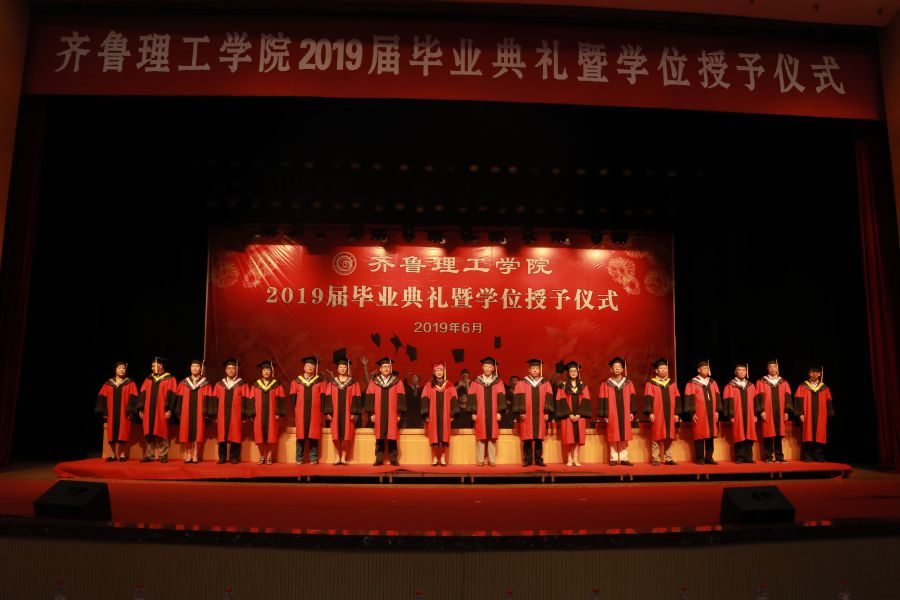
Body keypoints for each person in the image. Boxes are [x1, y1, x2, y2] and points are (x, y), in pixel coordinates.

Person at [364, 357, 407, 466]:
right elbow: (370, 397)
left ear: (391, 368)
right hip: (378, 413)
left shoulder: (397, 382)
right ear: (380, 369)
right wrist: (372, 413)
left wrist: (399, 413)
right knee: (379, 436)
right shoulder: (374, 382)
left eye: (388, 367)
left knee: (392, 436)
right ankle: (379, 458)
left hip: (393, 413)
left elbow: (400, 398)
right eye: (384, 367)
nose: (386, 369)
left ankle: (393, 459)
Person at [135, 356, 178, 463]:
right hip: (148, 410)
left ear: (160, 366)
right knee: (148, 432)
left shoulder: (170, 378)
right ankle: (149, 455)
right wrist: (141, 408)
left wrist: (169, 409)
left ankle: (163, 455)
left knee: (161, 431)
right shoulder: (149, 378)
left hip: (161, 410)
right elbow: (143, 392)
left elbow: (172, 394)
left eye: (153, 365)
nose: (152, 367)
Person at [512, 359, 554, 467]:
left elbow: (548, 398)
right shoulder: (522, 382)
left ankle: (539, 460)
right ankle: (528, 460)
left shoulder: (545, 383)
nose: (535, 370)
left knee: (539, 438)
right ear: (529, 370)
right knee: (527, 437)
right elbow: (519, 397)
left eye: (537, 368)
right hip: (527, 414)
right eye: (533, 368)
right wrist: (521, 411)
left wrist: (547, 412)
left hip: (540, 414)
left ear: (539, 370)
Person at [95, 359, 139, 462]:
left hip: (124, 413)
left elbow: (133, 397)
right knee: (111, 434)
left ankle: (122, 454)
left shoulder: (130, 383)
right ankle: (113, 454)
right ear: (115, 370)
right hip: (111, 413)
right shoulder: (108, 383)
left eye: (123, 368)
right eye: (119, 368)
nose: (122, 370)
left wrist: (130, 411)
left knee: (123, 433)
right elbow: (102, 397)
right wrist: (104, 412)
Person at [597, 357, 637, 466]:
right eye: (615, 367)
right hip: (612, 413)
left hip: (625, 413)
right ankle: (613, 458)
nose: (617, 368)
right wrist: (605, 414)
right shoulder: (606, 383)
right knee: (613, 435)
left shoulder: (628, 383)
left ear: (623, 369)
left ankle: (624, 458)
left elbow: (632, 398)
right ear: (611, 369)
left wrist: (631, 412)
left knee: (624, 435)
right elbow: (603, 399)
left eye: (619, 367)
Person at [245, 360, 285, 465]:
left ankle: (269, 456)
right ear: (261, 372)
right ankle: (262, 455)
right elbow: (251, 399)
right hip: (258, 415)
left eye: (268, 370)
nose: (266, 372)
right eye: (264, 370)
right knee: (259, 436)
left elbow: (280, 399)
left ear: (271, 372)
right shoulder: (256, 385)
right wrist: (252, 413)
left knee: (272, 436)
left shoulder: (276, 385)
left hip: (272, 415)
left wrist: (278, 412)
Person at [644, 358, 682, 466]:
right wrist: (650, 412)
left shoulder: (672, 384)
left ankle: (668, 458)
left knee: (669, 435)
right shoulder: (651, 383)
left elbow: (677, 399)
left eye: (665, 368)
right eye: (661, 368)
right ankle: (655, 458)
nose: (664, 370)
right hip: (657, 414)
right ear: (656, 370)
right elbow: (648, 399)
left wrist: (677, 413)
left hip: (670, 414)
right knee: (656, 435)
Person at [683, 359, 722, 465]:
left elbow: (717, 396)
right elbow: (689, 398)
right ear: (698, 370)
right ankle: (700, 458)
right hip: (699, 413)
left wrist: (717, 411)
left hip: (711, 413)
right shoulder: (692, 383)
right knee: (699, 435)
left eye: (707, 368)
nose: (706, 370)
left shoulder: (712, 382)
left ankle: (709, 457)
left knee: (710, 435)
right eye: (704, 368)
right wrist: (692, 413)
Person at [323, 358, 361, 465]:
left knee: (346, 435)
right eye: (340, 367)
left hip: (348, 413)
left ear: (347, 369)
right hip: (335, 413)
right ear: (337, 369)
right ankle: (337, 456)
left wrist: (354, 412)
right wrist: (328, 412)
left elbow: (356, 397)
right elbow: (328, 397)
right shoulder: (332, 383)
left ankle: (344, 457)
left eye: (344, 367)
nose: (342, 368)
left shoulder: (353, 383)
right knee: (335, 434)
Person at [173, 359, 213, 464]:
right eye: (193, 366)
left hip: (199, 412)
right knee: (186, 432)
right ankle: (188, 454)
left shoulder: (205, 383)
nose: (194, 368)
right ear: (190, 368)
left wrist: (206, 411)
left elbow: (208, 398)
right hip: (186, 411)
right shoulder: (184, 382)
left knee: (198, 432)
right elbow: (179, 397)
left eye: (197, 366)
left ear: (201, 369)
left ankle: (195, 454)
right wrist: (178, 411)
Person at [210, 358, 249, 464]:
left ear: (236, 370)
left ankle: (234, 457)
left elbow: (246, 400)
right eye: (229, 368)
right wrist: (215, 415)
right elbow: (215, 400)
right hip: (221, 414)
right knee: (222, 435)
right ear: (225, 370)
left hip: (236, 414)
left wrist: (244, 415)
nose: (231, 370)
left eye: (233, 368)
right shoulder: (219, 384)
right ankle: (222, 457)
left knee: (235, 434)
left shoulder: (242, 384)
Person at [421, 361, 459, 466]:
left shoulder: (449, 385)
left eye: (441, 370)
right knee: (434, 436)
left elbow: (454, 398)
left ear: (444, 371)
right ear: (434, 372)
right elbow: (424, 399)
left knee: (444, 436)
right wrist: (426, 415)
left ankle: (442, 457)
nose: (439, 372)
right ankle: (434, 458)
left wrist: (452, 414)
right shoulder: (429, 385)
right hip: (433, 415)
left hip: (445, 414)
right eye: (437, 370)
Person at [289, 356, 327, 465]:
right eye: (308, 365)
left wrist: (323, 410)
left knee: (313, 435)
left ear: (315, 368)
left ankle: (313, 458)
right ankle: (299, 458)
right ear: (304, 367)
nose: (310, 367)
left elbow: (323, 397)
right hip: (300, 412)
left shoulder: (320, 381)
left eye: (312, 366)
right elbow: (293, 397)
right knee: (300, 435)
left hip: (315, 412)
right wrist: (294, 409)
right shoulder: (296, 381)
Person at [794, 364, 835, 462]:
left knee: (820, 435)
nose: (814, 374)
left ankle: (819, 456)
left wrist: (829, 414)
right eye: (812, 372)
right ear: (809, 374)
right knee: (808, 435)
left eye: (816, 373)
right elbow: (798, 400)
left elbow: (828, 401)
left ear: (820, 374)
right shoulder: (803, 386)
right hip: (807, 415)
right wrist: (800, 413)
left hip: (821, 415)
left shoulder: (824, 387)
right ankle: (807, 456)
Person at [756, 359, 793, 463]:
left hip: (780, 412)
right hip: (767, 412)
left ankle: (779, 457)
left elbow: (788, 397)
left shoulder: (783, 382)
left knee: (779, 435)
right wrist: (761, 411)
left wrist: (786, 411)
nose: (773, 369)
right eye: (771, 367)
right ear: (767, 369)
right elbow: (759, 397)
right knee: (768, 434)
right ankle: (768, 456)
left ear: (777, 368)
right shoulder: (761, 381)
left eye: (775, 367)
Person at [469, 357, 504, 466]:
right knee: (481, 435)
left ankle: (491, 460)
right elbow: (472, 397)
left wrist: (499, 412)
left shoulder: (498, 381)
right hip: (480, 412)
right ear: (482, 367)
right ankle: (480, 459)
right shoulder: (476, 381)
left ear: (493, 368)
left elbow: (501, 397)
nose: (488, 368)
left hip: (493, 413)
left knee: (492, 436)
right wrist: (473, 412)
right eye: (486, 366)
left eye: (490, 366)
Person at [556, 361, 591, 466]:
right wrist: (569, 414)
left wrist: (579, 414)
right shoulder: (563, 386)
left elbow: (585, 400)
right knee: (568, 438)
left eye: (575, 371)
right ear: (568, 373)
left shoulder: (583, 385)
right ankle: (569, 459)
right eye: (571, 371)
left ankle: (576, 459)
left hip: (579, 417)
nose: (573, 373)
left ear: (578, 372)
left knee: (577, 439)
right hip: (568, 416)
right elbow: (561, 400)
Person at [723, 361, 758, 464]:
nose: (742, 372)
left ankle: (748, 457)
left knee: (749, 434)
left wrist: (755, 414)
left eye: (744, 370)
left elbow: (755, 401)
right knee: (739, 435)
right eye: (739, 370)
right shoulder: (730, 386)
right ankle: (739, 457)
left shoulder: (751, 385)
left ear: (746, 372)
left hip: (750, 414)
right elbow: (728, 401)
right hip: (737, 415)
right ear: (735, 372)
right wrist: (731, 415)